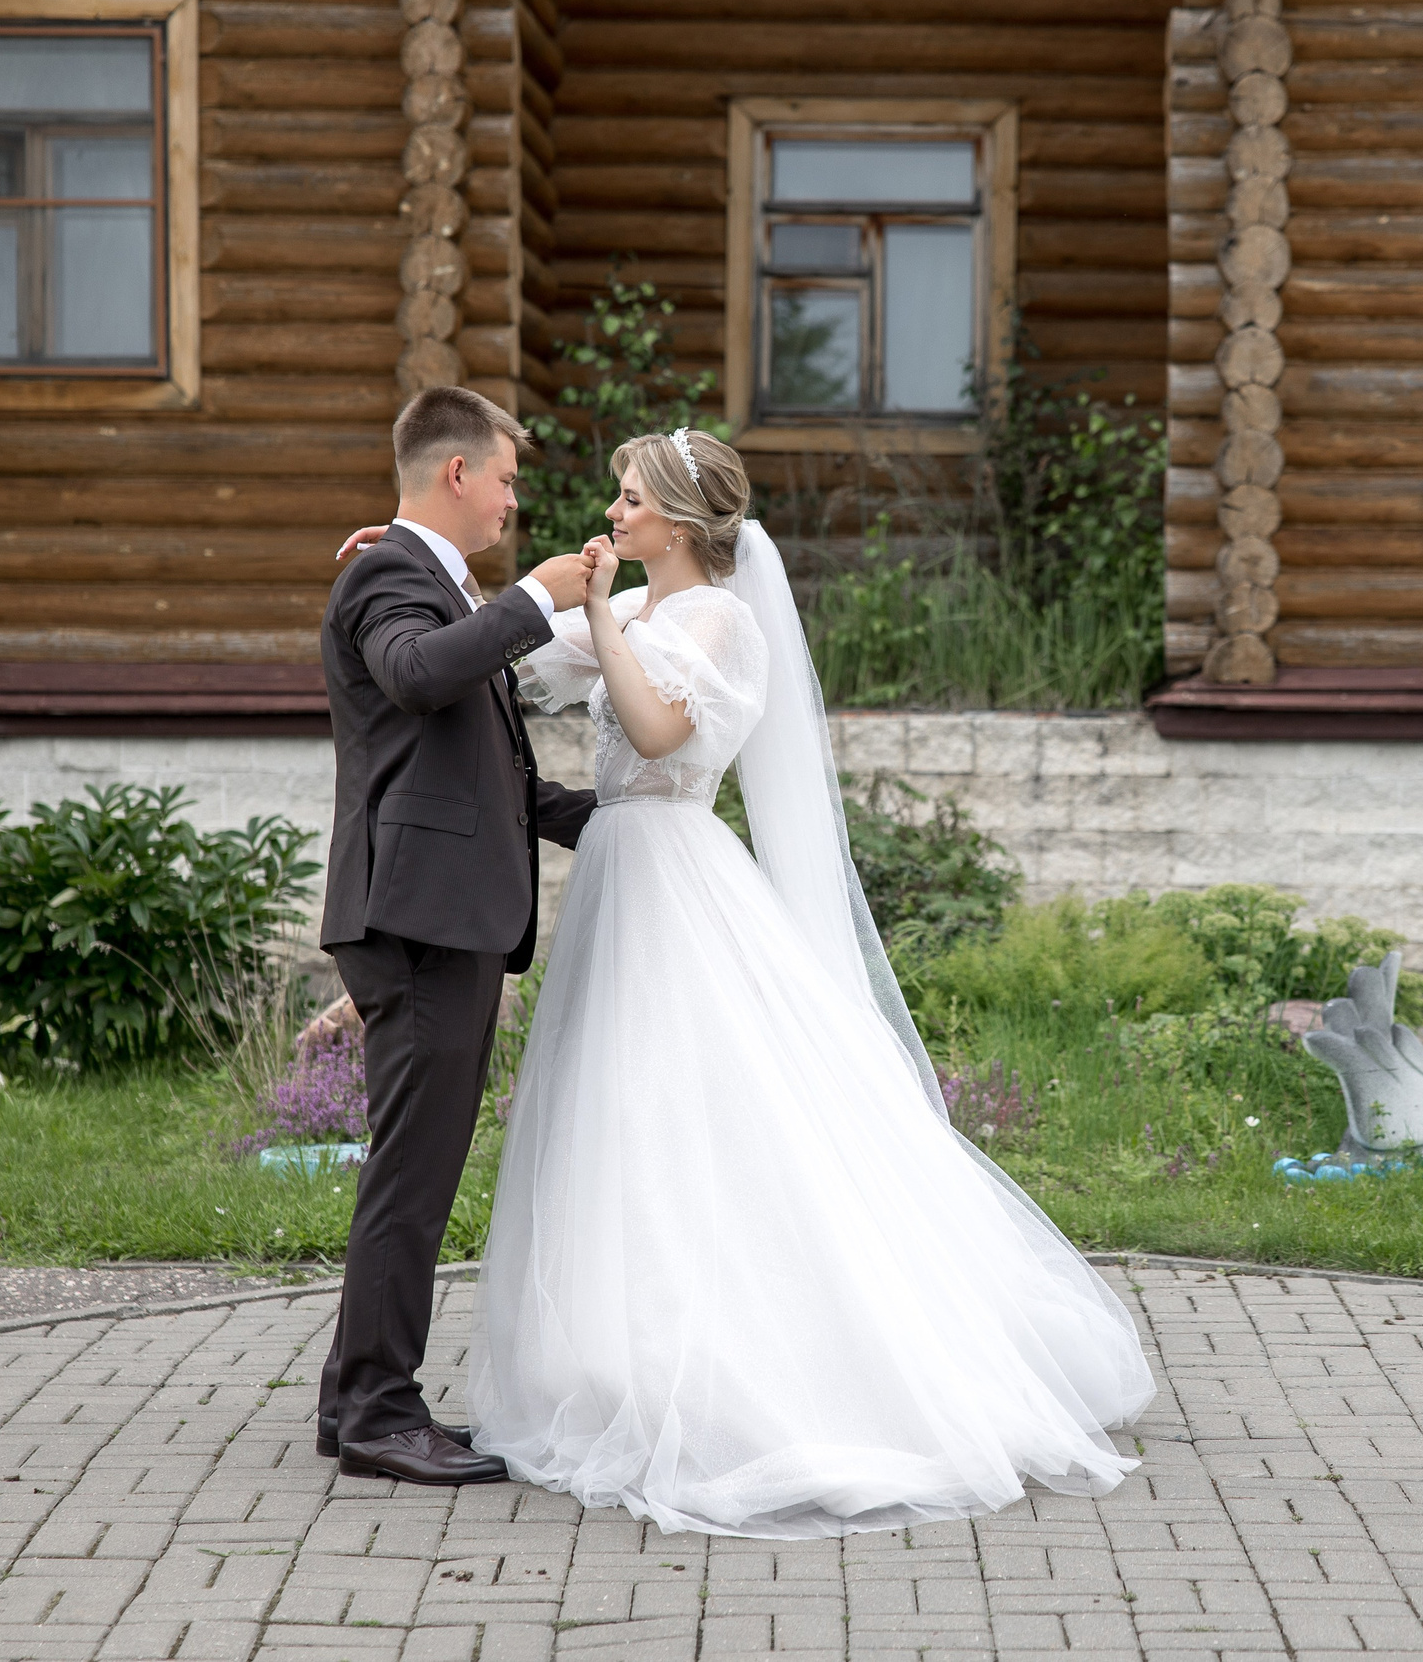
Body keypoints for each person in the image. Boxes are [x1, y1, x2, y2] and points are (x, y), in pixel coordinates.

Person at [350, 428, 1152, 1537]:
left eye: (627, 499)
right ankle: (615, 1356)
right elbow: (499, 676)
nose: (610, 514)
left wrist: (592, 616)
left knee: (703, 1116)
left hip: (678, 882)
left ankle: (736, 1369)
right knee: (615, 1122)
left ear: (674, 521)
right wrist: (417, 572)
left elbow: (659, 725)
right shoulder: (633, 613)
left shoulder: (720, 620)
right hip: (619, 883)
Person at [314, 387, 595, 1486]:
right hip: (420, 920)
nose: (515, 501)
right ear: (456, 474)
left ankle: (354, 1397)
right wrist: (533, 597)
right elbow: (416, 676)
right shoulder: (389, 574)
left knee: (409, 1167)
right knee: (414, 1175)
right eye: (509, 479)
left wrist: (611, 819)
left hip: (438, 911)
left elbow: (475, 770)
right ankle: (383, 1410)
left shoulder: (420, 575)